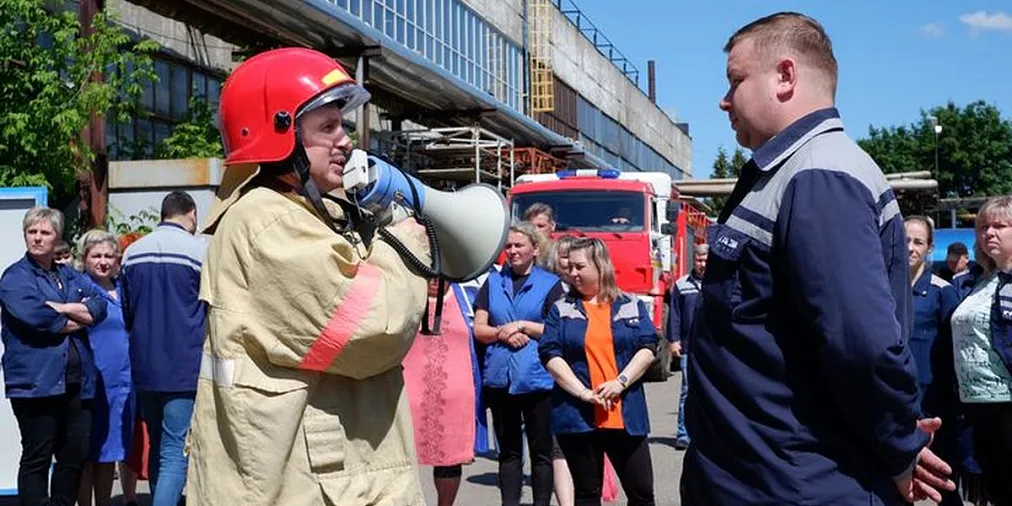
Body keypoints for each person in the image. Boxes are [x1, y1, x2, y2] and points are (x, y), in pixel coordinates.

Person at [681, 12, 954, 505]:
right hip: (759, 478)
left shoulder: (821, 177)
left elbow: (861, 343)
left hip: (798, 485)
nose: (724, 100)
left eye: (736, 80)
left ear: (785, 76)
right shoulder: (784, 173)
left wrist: (898, 449)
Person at [185, 47, 432, 506]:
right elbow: (373, 325)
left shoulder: (297, 213)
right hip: (310, 482)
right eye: (327, 127)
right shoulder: (269, 222)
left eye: (343, 125)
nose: (345, 141)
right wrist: (406, 244)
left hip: (321, 474)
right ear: (279, 133)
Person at [0, 207, 108, 506]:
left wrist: (63, 308)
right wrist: (76, 315)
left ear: (57, 237)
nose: (37, 238)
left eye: (44, 232)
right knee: (38, 455)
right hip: (37, 383)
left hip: (76, 382)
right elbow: (40, 319)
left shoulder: (67, 275)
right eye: (32, 232)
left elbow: (100, 304)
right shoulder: (15, 278)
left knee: (74, 454)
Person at [539, 237, 658, 506]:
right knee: (587, 494)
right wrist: (582, 393)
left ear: (600, 266)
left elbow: (648, 347)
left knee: (641, 493)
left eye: (580, 267)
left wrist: (620, 382)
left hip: (626, 416)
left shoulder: (631, 304)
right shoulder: (561, 308)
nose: (572, 273)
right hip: (578, 416)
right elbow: (550, 354)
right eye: (570, 267)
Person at [120, 191, 207, 506]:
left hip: (144, 366)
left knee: (157, 446)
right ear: (192, 214)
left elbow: (126, 309)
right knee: (175, 452)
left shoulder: (132, 253)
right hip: (183, 366)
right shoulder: (199, 252)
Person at [473, 222, 565, 506]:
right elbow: (479, 329)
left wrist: (523, 326)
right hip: (501, 380)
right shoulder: (492, 283)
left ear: (535, 249)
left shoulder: (551, 284)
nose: (512, 251)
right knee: (509, 453)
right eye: (508, 246)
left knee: (542, 452)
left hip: (538, 380)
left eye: (519, 245)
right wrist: (504, 332)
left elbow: (557, 330)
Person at [948, 196, 1012, 505]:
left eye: (1000, 226)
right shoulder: (975, 281)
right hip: (976, 405)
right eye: (983, 227)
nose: (989, 233)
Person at [904, 216, 966, 506]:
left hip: (935, 405)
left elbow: (958, 349)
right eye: (905, 240)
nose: (910, 248)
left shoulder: (943, 292)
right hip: (895, 403)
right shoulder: (881, 290)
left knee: (943, 482)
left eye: (918, 242)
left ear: (930, 248)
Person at [76, 229, 135, 506]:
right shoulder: (79, 289)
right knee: (88, 453)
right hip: (92, 381)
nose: (103, 261)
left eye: (109, 256)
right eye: (96, 255)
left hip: (123, 383)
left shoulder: (125, 289)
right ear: (84, 258)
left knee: (109, 453)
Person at [667, 243, 707, 451]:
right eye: (699, 260)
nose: (702, 264)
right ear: (694, 260)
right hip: (688, 347)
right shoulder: (682, 285)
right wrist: (673, 340)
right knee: (687, 391)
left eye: (706, 260)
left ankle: (709, 434)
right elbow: (674, 315)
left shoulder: (719, 283)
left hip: (712, 349)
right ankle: (684, 434)